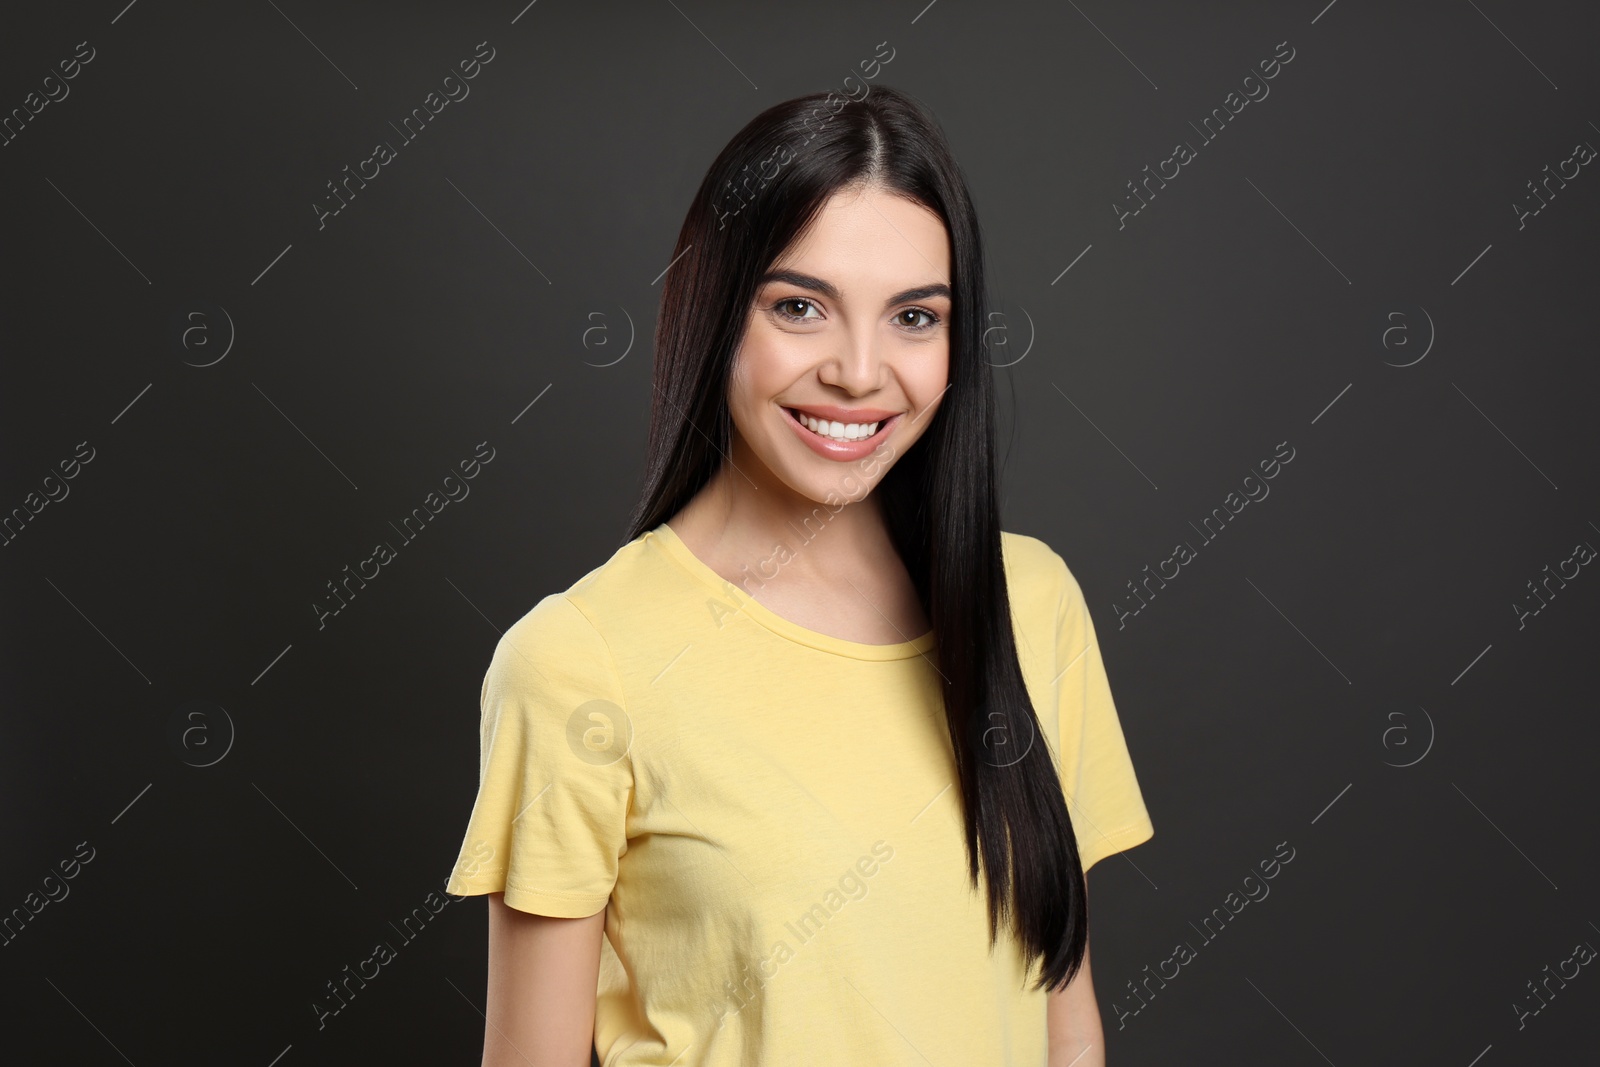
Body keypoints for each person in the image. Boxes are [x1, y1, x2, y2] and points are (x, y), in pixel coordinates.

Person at [444, 84, 1154, 1066]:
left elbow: (1064, 1027)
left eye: (913, 315)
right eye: (799, 306)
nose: (860, 372)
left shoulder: (1031, 607)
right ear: (714, 308)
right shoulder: (578, 663)